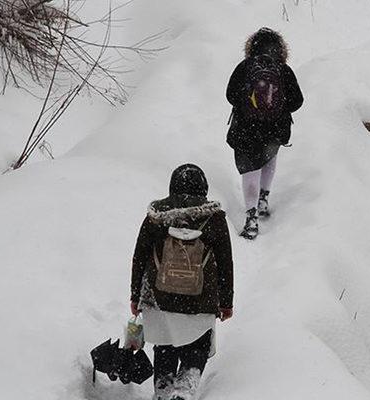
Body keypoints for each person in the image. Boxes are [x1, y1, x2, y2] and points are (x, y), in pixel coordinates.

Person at [131, 164, 234, 400]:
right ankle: (185, 390)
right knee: (197, 347)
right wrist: (226, 301)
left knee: (164, 345)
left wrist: (135, 296)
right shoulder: (214, 219)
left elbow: (139, 257)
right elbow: (225, 262)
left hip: (159, 297)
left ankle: (163, 390)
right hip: (201, 299)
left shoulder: (155, 217)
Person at [226, 27, 304, 239]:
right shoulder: (283, 70)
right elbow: (297, 101)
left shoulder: (245, 67)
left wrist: (248, 105)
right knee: (269, 156)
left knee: (250, 170)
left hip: (245, 129)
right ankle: (263, 199)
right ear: (280, 49)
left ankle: (251, 218)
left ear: (251, 47)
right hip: (274, 130)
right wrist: (277, 107)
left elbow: (230, 95)